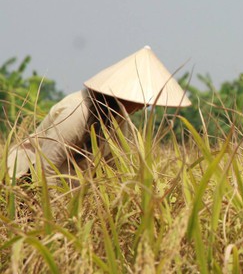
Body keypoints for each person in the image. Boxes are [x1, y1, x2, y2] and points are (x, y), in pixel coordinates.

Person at [6, 46, 191, 183]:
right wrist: (56, 216)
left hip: (67, 191)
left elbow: (115, 170)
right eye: (141, 98)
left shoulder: (120, 122)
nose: (145, 105)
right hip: (24, 180)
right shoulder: (78, 111)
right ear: (122, 93)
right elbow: (45, 166)